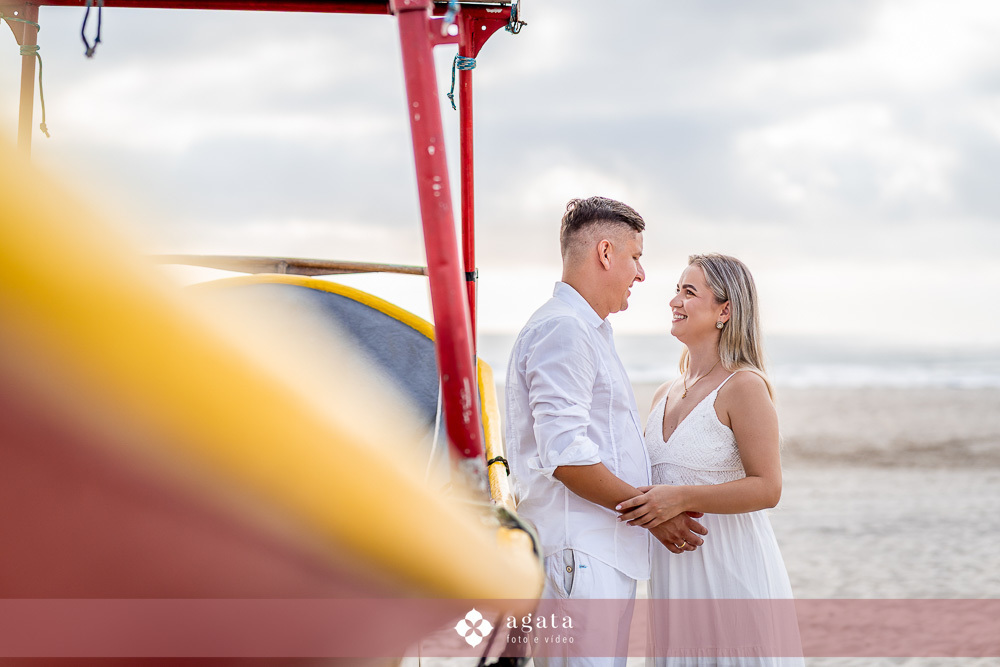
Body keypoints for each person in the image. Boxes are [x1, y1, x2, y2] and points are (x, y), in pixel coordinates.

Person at [505, 197, 708, 667]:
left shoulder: (586, 329)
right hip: (580, 556)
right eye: (635, 256)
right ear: (604, 253)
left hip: (595, 555)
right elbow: (565, 455)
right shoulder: (566, 330)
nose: (641, 274)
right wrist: (654, 515)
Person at [615, 253, 803, 666]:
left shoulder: (744, 387)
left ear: (725, 311)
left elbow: (768, 488)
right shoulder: (663, 394)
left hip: (733, 577)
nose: (674, 301)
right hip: (674, 586)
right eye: (676, 290)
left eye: (689, 292)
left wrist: (682, 498)